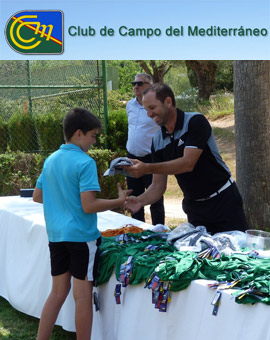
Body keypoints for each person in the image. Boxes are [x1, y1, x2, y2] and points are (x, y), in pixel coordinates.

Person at [33, 108, 131, 340]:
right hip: (81, 238)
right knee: (83, 297)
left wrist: (63, 200)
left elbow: (38, 195)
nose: (94, 141)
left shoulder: (50, 160)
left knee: (57, 293)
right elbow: (88, 205)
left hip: (56, 236)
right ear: (79, 134)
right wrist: (118, 200)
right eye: (93, 135)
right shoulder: (85, 162)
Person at [124, 83, 248, 234]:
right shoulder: (156, 140)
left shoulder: (195, 121)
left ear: (168, 102)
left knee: (236, 255)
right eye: (146, 110)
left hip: (223, 202)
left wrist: (146, 168)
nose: (149, 114)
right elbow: (158, 186)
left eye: (152, 108)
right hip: (195, 209)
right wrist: (139, 201)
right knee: (201, 256)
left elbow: (187, 163)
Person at [126, 73, 165, 225]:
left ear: (150, 86)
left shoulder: (156, 107)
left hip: (151, 158)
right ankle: (138, 230)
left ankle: (159, 230)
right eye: (134, 83)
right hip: (131, 157)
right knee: (134, 195)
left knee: (155, 197)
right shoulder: (129, 105)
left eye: (140, 83)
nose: (136, 86)